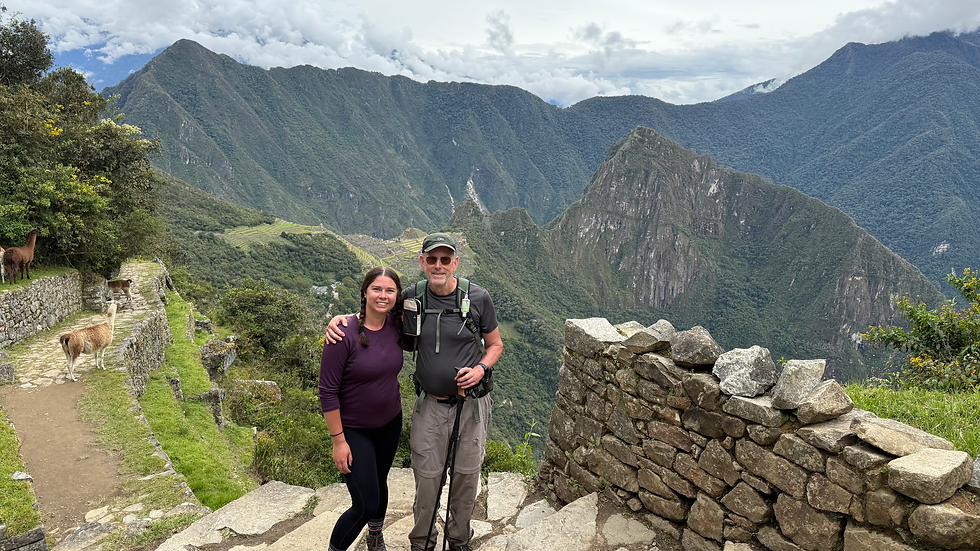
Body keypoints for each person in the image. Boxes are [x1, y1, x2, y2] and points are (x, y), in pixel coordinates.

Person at [326, 233, 503, 551]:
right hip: (429, 406)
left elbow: (495, 344)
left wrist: (480, 369)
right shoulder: (411, 297)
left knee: (466, 476)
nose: (438, 265)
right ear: (421, 262)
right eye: (432, 259)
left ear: (455, 263)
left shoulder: (478, 298)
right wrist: (340, 320)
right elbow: (374, 317)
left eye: (445, 259)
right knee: (427, 478)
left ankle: (459, 539)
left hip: (471, 405)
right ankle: (421, 542)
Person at [319, 266, 405, 551]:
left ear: (397, 296)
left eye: (389, 290)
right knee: (365, 503)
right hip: (353, 429)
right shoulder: (342, 333)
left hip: (390, 421)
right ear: (365, 292)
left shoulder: (397, 325)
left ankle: (375, 535)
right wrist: (338, 441)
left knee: (379, 483)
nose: (383, 295)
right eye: (376, 289)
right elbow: (327, 391)